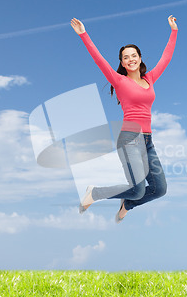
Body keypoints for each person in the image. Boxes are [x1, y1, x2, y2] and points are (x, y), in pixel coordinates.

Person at [70, 15, 178, 223]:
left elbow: (166, 58)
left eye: (133, 55)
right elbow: (98, 59)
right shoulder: (118, 81)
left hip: (147, 141)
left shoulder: (150, 79)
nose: (130, 59)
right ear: (121, 62)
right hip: (129, 139)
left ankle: (127, 204)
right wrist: (84, 34)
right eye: (125, 57)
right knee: (137, 189)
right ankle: (95, 193)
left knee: (159, 189)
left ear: (140, 58)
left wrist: (173, 31)